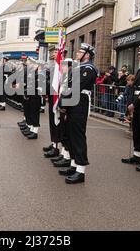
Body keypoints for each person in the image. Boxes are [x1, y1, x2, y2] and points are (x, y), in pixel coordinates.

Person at [56, 43, 97, 184]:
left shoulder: (89, 69)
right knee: (71, 134)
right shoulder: (79, 68)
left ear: (87, 55)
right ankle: (74, 165)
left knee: (78, 136)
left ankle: (81, 171)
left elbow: (76, 87)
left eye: (80, 51)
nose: (77, 53)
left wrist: (63, 103)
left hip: (79, 103)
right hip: (73, 102)